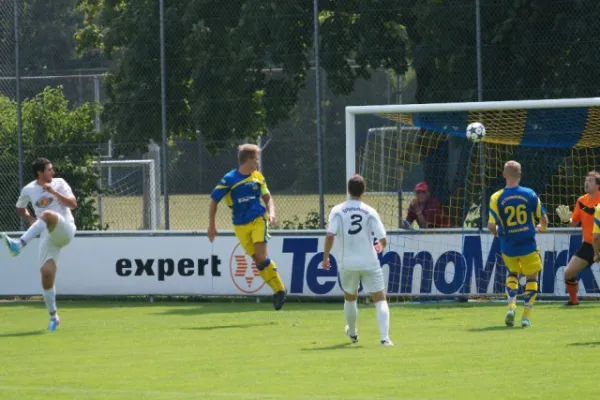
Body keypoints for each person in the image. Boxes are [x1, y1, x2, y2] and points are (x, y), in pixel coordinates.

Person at [1, 158, 77, 331]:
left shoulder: (59, 183)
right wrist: (30, 219)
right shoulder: (28, 189)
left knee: (48, 214)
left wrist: (54, 192)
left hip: (65, 229)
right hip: (47, 234)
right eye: (49, 170)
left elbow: (73, 204)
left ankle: (19, 245)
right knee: (46, 273)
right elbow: (20, 207)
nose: (53, 172)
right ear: (40, 173)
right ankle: (53, 316)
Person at [208, 144, 286, 310]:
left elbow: (267, 197)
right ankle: (278, 290)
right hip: (239, 226)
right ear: (248, 159)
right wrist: (211, 226)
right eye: (256, 159)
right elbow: (214, 200)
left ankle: (280, 291)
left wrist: (271, 213)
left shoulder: (257, 176)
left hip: (258, 220)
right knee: (258, 263)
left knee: (262, 258)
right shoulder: (229, 179)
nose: (257, 162)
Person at [323, 174, 393, 346]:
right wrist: (380, 247)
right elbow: (383, 238)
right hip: (369, 260)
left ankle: (353, 333)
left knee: (350, 298)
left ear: (348, 190)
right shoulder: (370, 211)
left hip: (347, 262)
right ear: (364, 191)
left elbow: (330, 235)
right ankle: (385, 338)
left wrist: (325, 257)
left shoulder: (338, 210)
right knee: (380, 299)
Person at [488, 161, 548, 328]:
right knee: (532, 277)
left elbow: (491, 226)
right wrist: (541, 228)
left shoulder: (496, 197)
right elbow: (543, 220)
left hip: (508, 247)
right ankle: (525, 317)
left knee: (513, 273)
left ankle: (511, 305)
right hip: (528, 244)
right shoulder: (529, 194)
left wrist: (501, 234)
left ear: (504, 174)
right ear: (520, 175)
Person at [556, 171, 600, 306]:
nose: (586, 183)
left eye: (590, 180)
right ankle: (574, 301)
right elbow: (574, 222)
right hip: (588, 244)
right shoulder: (581, 200)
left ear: (598, 185)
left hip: (598, 241)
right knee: (568, 272)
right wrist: (565, 220)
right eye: (585, 180)